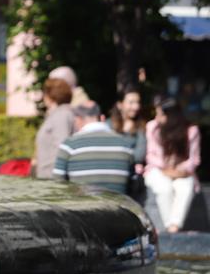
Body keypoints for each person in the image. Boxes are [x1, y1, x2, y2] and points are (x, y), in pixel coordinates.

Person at [144, 98, 202, 233]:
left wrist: (179, 169)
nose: (157, 118)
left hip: (182, 172)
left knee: (185, 187)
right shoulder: (152, 127)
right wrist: (166, 167)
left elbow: (194, 159)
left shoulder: (191, 131)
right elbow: (150, 156)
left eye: (160, 114)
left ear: (172, 117)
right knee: (164, 188)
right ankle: (172, 230)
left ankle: (173, 228)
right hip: (158, 170)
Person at [53, 102, 135, 194]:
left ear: (78, 119)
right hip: (119, 207)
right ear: (102, 118)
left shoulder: (69, 145)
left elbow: (58, 185)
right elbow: (133, 184)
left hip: (82, 207)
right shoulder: (125, 144)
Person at [33, 77, 75, 178]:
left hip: (52, 179)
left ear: (51, 95)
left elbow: (61, 147)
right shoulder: (56, 115)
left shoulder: (62, 115)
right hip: (47, 177)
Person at [110, 86, 147, 167]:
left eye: (138, 102)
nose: (136, 107)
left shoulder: (141, 127)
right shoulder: (108, 125)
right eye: (131, 102)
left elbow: (139, 156)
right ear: (120, 105)